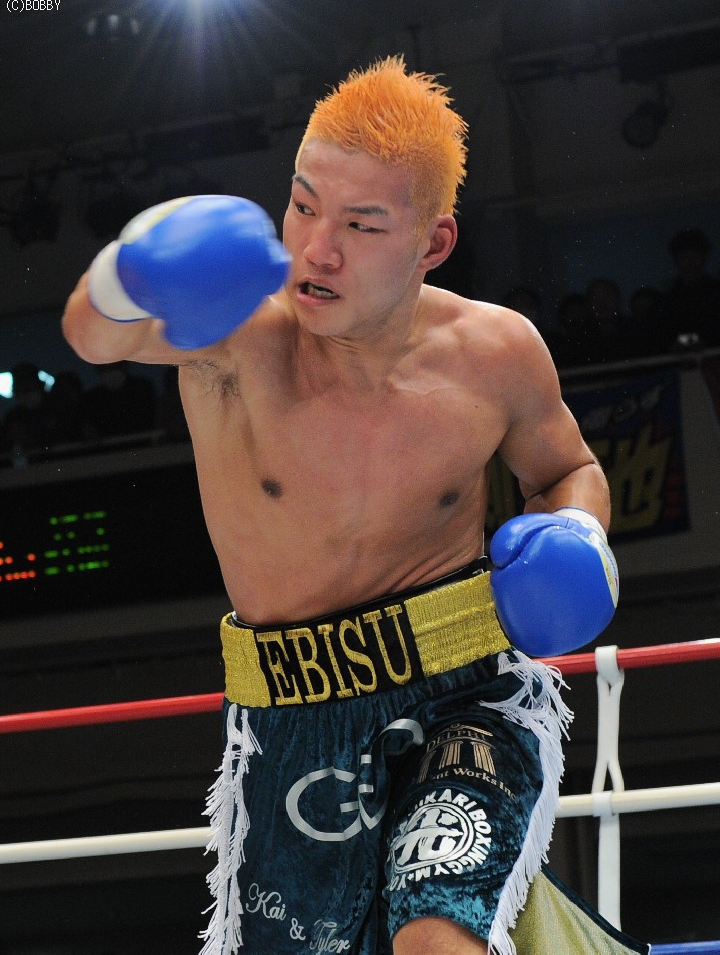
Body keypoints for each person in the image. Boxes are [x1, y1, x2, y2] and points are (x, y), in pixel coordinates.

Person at [63, 58, 645, 955]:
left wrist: (576, 530)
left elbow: (569, 467)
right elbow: (93, 336)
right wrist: (129, 270)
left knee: (436, 934)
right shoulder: (239, 334)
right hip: (290, 722)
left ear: (433, 244)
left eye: (361, 225)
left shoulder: (493, 353)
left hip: (466, 693)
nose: (316, 250)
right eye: (303, 207)